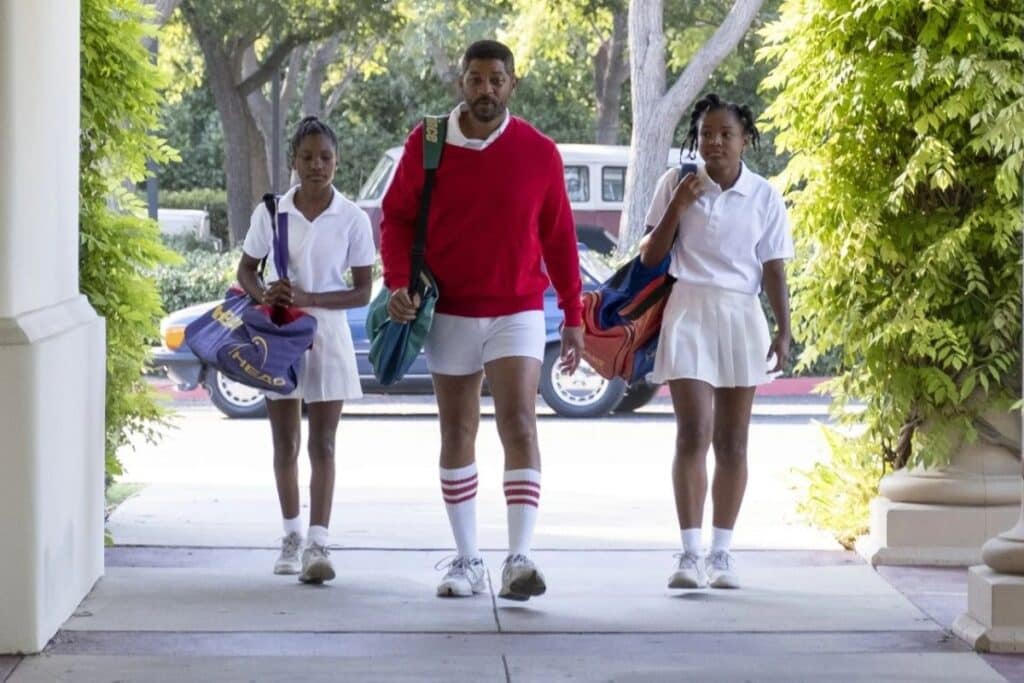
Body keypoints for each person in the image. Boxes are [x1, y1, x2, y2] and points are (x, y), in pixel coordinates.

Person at [380, 40, 583, 601]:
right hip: (447, 309)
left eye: (497, 79)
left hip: (517, 307)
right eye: (476, 78)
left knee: (519, 423)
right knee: (458, 430)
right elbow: (395, 219)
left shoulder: (539, 152)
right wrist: (399, 282)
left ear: (512, 83)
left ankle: (519, 558)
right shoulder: (428, 142)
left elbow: (559, 236)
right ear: (462, 83)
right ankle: (467, 561)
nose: (486, 89)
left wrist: (572, 311)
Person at [639, 93, 794, 591]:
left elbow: (773, 267)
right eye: (707, 133)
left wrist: (784, 327)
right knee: (694, 433)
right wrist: (680, 204)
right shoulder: (676, 183)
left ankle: (721, 553)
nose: (715, 143)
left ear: (745, 139)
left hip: (740, 313)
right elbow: (648, 256)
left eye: (726, 134)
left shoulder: (764, 195)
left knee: (732, 441)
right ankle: (689, 554)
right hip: (688, 310)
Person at [236, 116, 375, 584]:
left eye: (326, 157)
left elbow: (362, 292)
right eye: (308, 157)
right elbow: (246, 272)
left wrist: (310, 298)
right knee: (285, 442)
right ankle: (291, 536)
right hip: (280, 337)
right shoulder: (272, 212)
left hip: (329, 337)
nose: (317, 165)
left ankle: (319, 541)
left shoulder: (353, 218)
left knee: (324, 442)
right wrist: (263, 295)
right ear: (293, 161)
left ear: (337, 161)